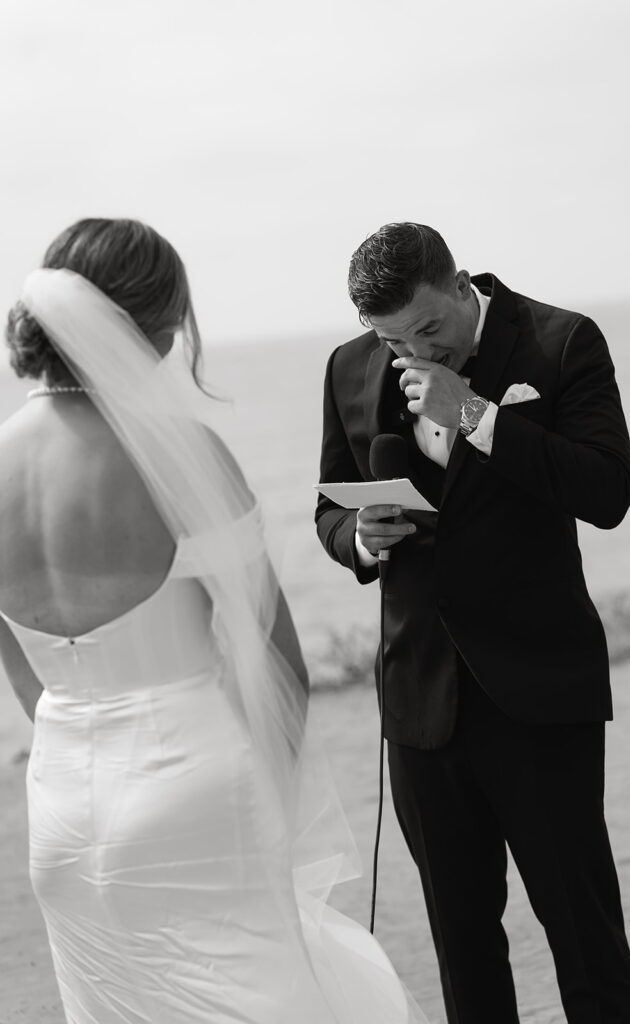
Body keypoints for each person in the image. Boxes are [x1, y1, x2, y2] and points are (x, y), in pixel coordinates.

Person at [0, 218, 430, 1024]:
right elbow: (278, 667)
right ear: (153, 328)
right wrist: (272, 806)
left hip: (59, 801)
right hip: (193, 791)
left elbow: (20, 674)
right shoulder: (175, 455)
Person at [315, 222, 630, 1024]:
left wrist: (479, 416)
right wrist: (357, 537)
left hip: (539, 691)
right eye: (390, 338)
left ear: (461, 284)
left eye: (428, 328)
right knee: (461, 947)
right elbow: (329, 504)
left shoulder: (560, 342)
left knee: (582, 933)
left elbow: (606, 492)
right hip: (421, 701)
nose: (411, 351)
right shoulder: (349, 367)